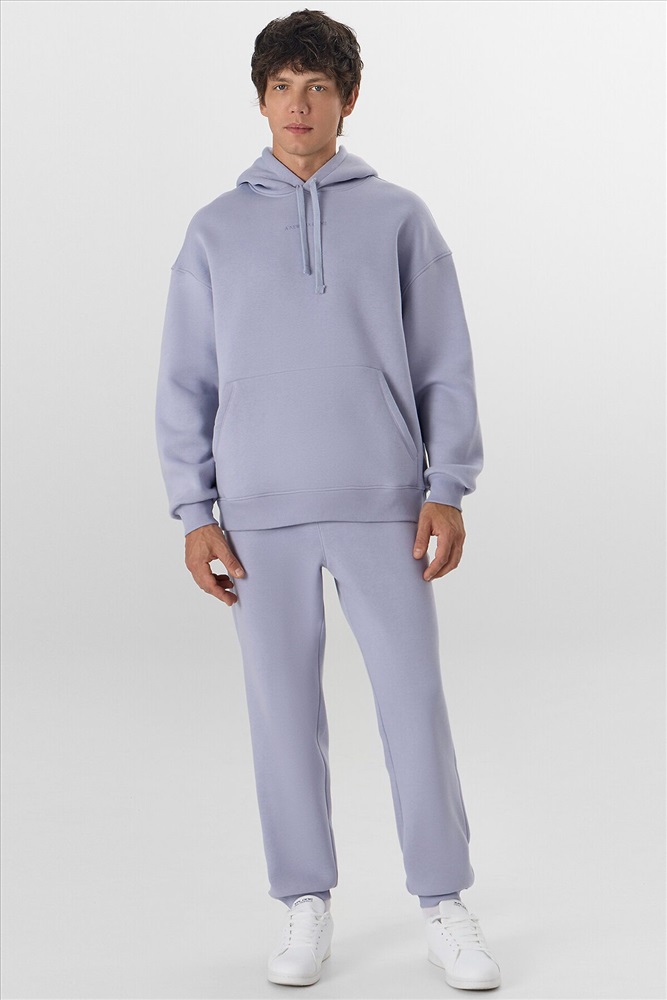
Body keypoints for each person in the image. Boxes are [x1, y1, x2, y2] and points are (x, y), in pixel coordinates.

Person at [155, 8, 501, 991]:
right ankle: (303, 902)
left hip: (383, 504)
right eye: (281, 88)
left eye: (316, 87)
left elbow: (443, 362)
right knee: (280, 713)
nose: (298, 106)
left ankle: (442, 901)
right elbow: (185, 378)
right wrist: (195, 512)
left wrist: (447, 486)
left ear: (348, 99)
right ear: (261, 99)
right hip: (255, 515)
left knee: (412, 704)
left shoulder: (398, 217)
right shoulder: (214, 230)